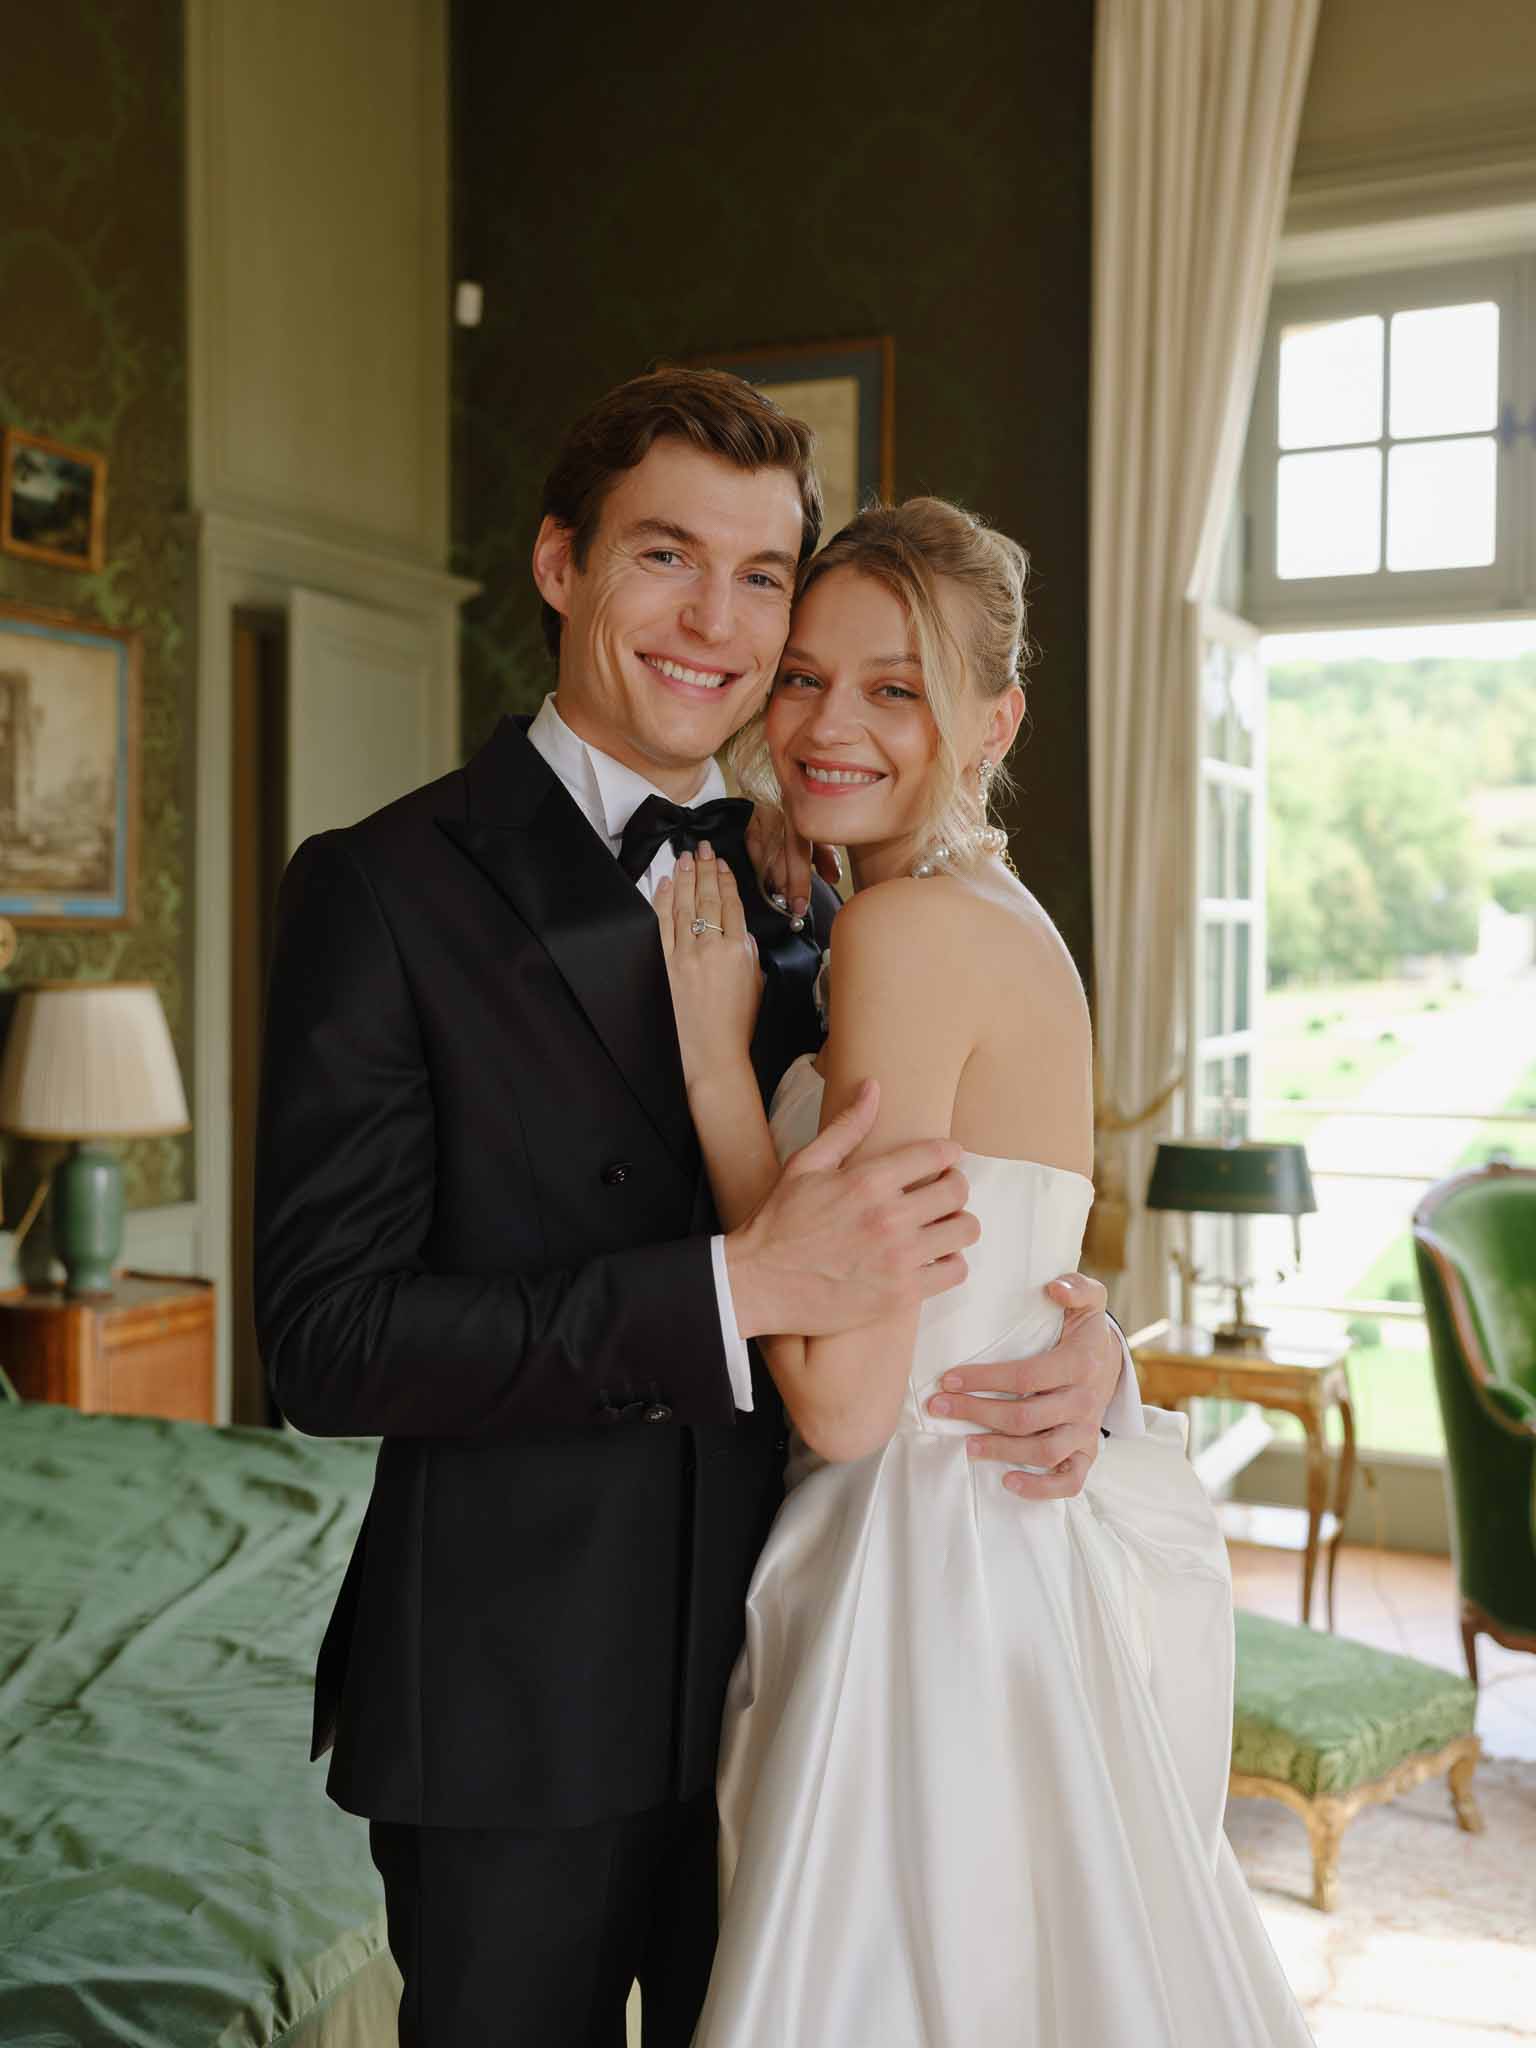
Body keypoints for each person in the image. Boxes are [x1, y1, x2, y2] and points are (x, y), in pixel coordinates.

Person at [254, 370, 1137, 2048]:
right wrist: (729, 1290)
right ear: (560, 564)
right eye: (667, 557)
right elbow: (326, 1341)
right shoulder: (382, 888)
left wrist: (1088, 1356)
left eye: (760, 578)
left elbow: (970, 1191)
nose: (717, 623)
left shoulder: (828, 866)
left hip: (802, 1673)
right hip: (516, 1714)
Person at [657, 498, 1316, 2047]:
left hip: (916, 1574)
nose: (828, 724)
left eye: (896, 689)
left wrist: (715, 1077)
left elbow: (844, 1404)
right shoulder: (992, 915)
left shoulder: (904, 933)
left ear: (994, 719)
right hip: (1006, 1547)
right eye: (805, 676)